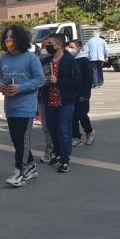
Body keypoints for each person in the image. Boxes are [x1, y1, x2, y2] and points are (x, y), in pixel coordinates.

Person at [0, 26, 44, 188]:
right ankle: (30, 166)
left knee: (22, 141)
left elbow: (39, 79)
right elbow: (1, 78)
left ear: (20, 39)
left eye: (12, 37)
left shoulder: (30, 58)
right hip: (10, 107)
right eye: (6, 37)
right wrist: (1, 86)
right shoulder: (3, 59)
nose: (8, 40)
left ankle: (20, 172)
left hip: (26, 107)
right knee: (17, 141)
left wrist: (20, 88)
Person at [42, 35, 82, 173]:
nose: (47, 46)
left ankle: (65, 159)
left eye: (50, 43)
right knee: (52, 129)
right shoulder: (46, 61)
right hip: (49, 100)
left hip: (65, 101)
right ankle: (57, 152)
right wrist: (44, 82)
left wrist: (58, 81)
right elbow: (40, 78)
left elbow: (77, 82)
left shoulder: (69, 61)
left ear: (59, 45)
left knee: (64, 131)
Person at [69, 39, 95, 147]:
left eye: (72, 47)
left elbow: (89, 79)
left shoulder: (84, 61)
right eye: (68, 47)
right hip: (72, 93)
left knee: (82, 115)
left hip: (82, 94)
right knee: (73, 116)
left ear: (79, 48)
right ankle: (76, 137)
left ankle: (89, 131)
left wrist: (85, 94)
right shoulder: (71, 60)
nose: (69, 49)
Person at [36, 45, 54, 164]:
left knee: (58, 127)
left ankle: (60, 152)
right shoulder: (37, 63)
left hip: (57, 97)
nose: (44, 49)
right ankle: (50, 150)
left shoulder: (59, 60)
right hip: (42, 97)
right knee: (46, 126)